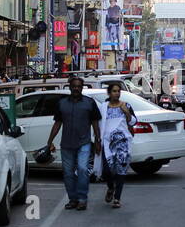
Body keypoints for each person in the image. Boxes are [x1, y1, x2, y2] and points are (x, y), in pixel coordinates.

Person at [44, 74, 103, 211]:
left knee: (82, 169)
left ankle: (82, 199)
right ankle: (73, 199)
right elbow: (57, 123)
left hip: (84, 143)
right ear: (69, 87)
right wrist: (50, 141)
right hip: (66, 145)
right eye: (74, 86)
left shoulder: (89, 103)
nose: (76, 88)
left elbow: (95, 123)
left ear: (82, 88)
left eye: (79, 86)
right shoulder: (62, 103)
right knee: (68, 173)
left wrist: (98, 140)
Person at [99, 82, 137, 209]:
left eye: (118, 91)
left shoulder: (126, 105)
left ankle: (117, 198)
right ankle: (111, 187)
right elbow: (99, 124)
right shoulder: (104, 107)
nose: (117, 93)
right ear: (109, 93)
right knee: (106, 170)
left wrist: (126, 112)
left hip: (123, 142)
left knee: (121, 170)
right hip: (107, 142)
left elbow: (133, 121)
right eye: (114, 91)